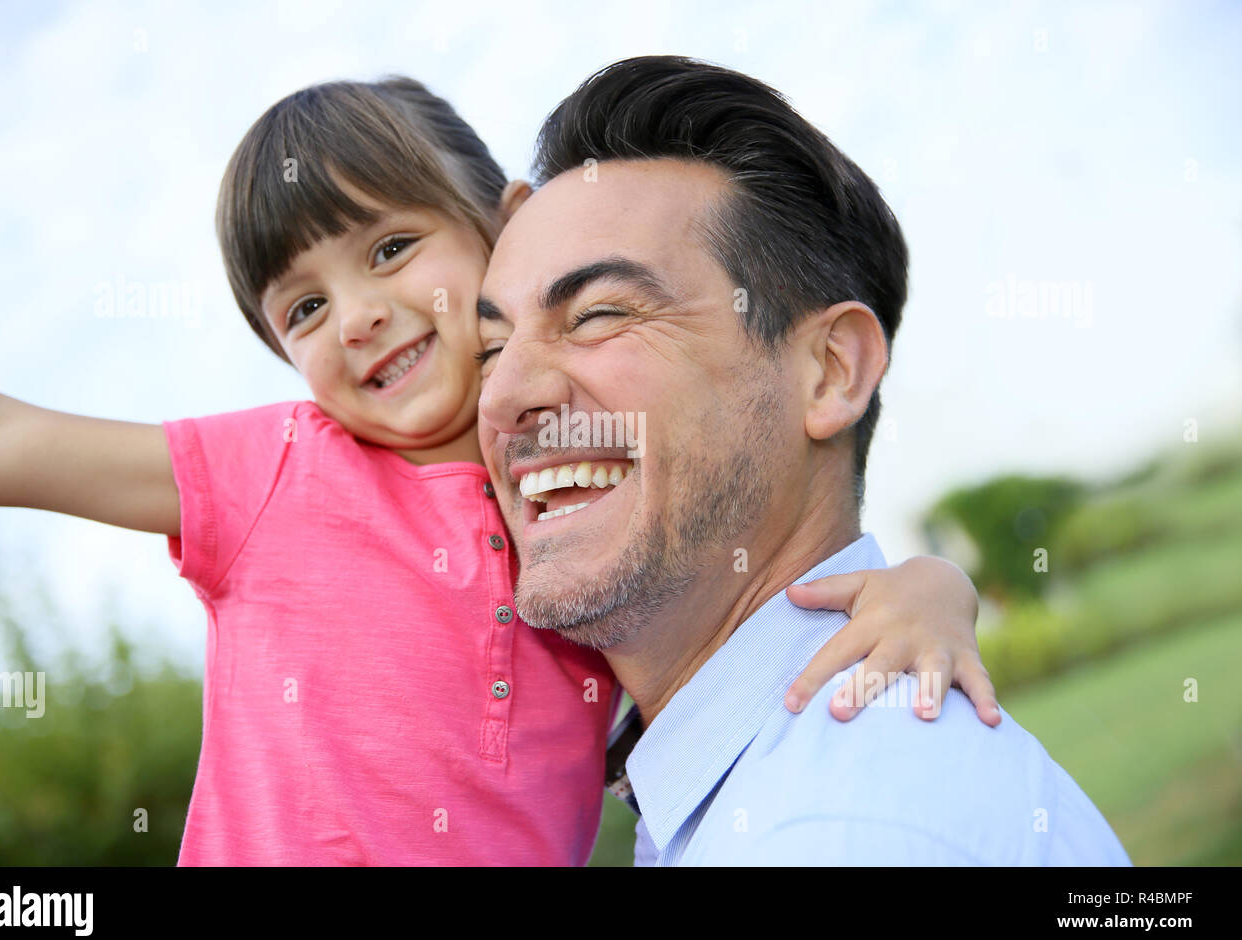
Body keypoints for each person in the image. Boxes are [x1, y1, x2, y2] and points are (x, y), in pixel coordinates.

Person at [0, 77, 994, 866]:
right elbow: (9, 437)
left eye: (391, 247)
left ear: (501, 228)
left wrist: (934, 591)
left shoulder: (570, 526)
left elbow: (737, 630)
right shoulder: (276, 470)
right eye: (301, 309)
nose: (356, 316)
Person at [475, 56, 1131, 865]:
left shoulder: (837, 834)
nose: (503, 396)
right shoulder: (766, 795)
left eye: (600, 313)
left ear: (830, 371)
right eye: (490, 346)